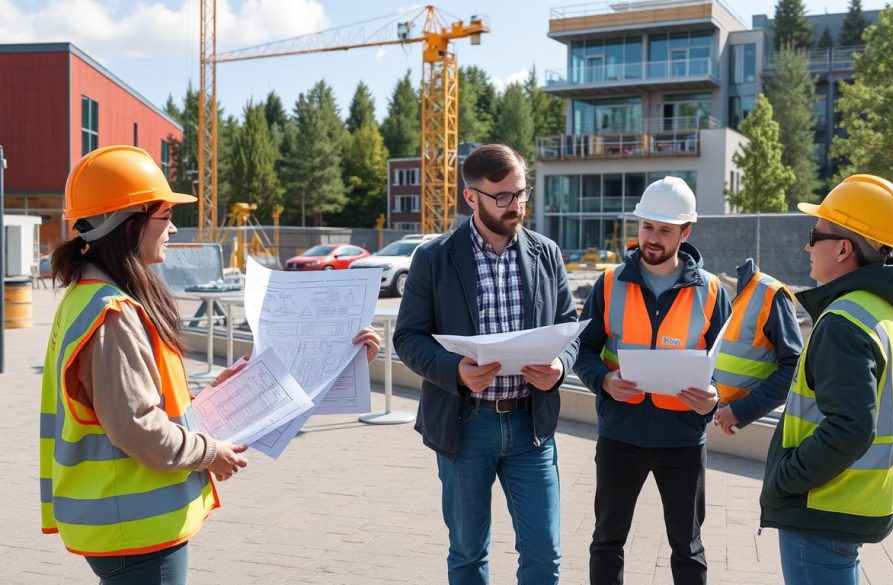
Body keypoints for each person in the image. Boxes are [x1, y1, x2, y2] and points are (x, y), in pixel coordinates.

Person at [38, 146, 380, 584]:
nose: (174, 227)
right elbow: (135, 425)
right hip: (135, 528)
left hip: (122, 522)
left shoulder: (88, 297)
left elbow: (131, 403)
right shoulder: (113, 312)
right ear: (127, 223)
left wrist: (218, 390)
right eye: (164, 215)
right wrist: (208, 453)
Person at [393, 144, 578, 585]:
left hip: (530, 427)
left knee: (544, 556)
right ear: (471, 198)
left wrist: (559, 365)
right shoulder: (434, 258)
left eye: (521, 193)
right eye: (503, 197)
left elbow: (570, 324)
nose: (516, 205)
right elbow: (407, 338)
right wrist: (454, 370)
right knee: (468, 555)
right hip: (464, 425)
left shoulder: (546, 254)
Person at [759, 174, 893, 585]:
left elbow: (850, 429)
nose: (807, 246)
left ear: (844, 248)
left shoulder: (843, 322)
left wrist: (786, 480)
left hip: (822, 505)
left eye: (816, 235)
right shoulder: (880, 311)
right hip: (855, 502)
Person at [574, 176, 731, 585]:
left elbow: (728, 366)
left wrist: (714, 397)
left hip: (681, 439)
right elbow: (582, 350)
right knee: (607, 540)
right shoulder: (609, 284)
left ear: (686, 231)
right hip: (620, 435)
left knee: (688, 546)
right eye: (647, 227)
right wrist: (605, 382)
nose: (653, 238)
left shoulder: (711, 291)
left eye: (664, 230)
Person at [712, 259, 803, 435]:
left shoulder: (769, 293)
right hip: (720, 419)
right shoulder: (711, 290)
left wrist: (741, 411)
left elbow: (795, 369)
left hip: (751, 420)